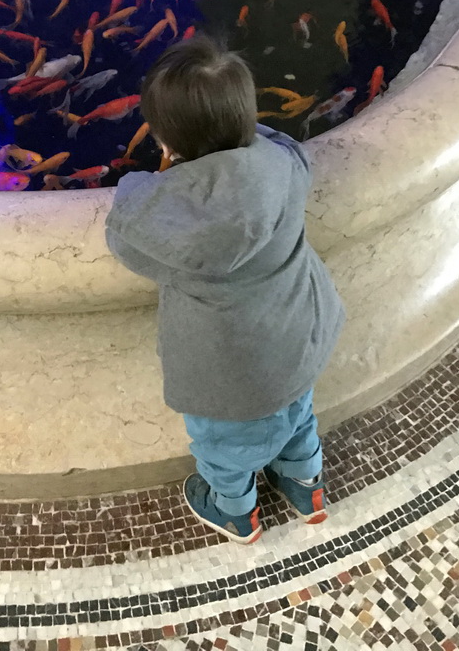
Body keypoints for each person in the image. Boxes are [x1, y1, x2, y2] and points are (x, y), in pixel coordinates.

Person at [104, 34, 346, 545]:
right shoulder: (284, 164)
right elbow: (275, 141)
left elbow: (127, 229)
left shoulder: (171, 222)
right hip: (300, 335)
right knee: (298, 414)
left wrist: (152, 175)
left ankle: (234, 511)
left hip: (231, 370)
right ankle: (306, 486)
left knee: (224, 447)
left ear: (167, 143)